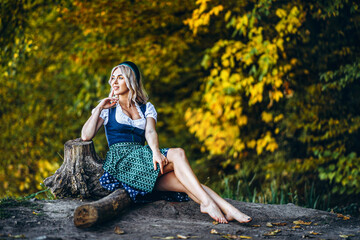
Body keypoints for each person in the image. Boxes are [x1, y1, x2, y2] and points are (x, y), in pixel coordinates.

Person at [81, 61, 252, 224]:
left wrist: (155, 151)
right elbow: (85, 136)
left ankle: (228, 209)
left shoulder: (146, 107)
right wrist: (99, 108)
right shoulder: (107, 109)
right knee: (178, 153)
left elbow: (150, 132)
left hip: (142, 159)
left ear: (131, 81)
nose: (114, 82)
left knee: (183, 182)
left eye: (120, 77)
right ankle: (208, 204)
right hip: (122, 161)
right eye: (113, 77)